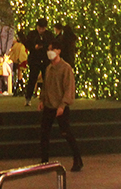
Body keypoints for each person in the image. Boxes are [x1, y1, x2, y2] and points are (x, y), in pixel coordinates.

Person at [38, 39, 83, 172]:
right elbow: (46, 86)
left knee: (66, 133)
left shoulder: (65, 68)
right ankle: (44, 161)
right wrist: (42, 100)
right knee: (44, 134)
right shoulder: (49, 68)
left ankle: (77, 159)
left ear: (59, 51)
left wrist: (63, 105)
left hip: (60, 107)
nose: (49, 52)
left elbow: (69, 88)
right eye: (48, 50)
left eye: (52, 49)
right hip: (48, 105)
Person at [24, 18, 53, 106]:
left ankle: (49, 98)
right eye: (40, 28)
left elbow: (52, 43)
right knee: (32, 79)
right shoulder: (32, 34)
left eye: (43, 28)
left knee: (47, 80)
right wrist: (34, 47)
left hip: (45, 59)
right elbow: (27, 44)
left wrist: (47, 47)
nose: (41, 30)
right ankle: (28, 98)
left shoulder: (49, 35)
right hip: (35, 60)